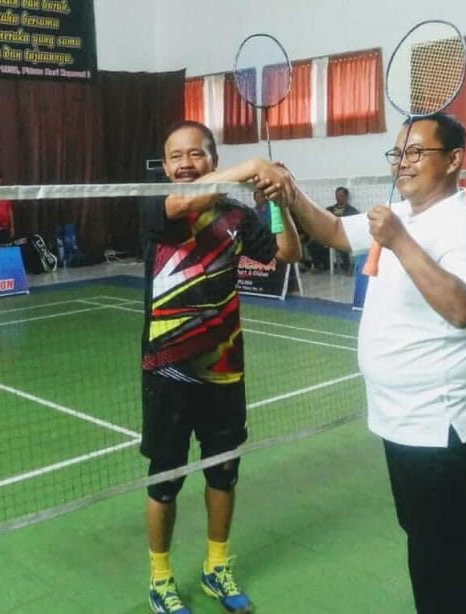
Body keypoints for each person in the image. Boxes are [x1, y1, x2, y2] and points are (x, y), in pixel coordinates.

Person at [281, 112, 466, 613]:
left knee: (443, 554)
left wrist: (399, 241)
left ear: (454, 160)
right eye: (398, 153)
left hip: (440, 425)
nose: (403, 162)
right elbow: (334, 230)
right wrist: (291, 193)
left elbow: (463, 309)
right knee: (426, 540)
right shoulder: (406, 212)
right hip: (405, 421)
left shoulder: (462, 229)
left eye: (416, 152)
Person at [140, 120, 301, 614]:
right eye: (175, 156)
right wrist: (252, 167)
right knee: (165, 479)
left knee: (223, 472)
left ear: (212, 159)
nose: (185, 163)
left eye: (196, 154)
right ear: (166, 166)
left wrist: (277, 202)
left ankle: (216, 567)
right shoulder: (154, 202)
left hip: (225, 367)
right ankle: (160, 578)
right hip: (167, 368)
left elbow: (287, 253)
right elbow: (184, 204)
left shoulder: (236, 214)